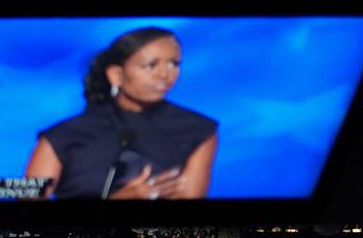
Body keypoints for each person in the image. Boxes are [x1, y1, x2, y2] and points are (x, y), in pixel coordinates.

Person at [24, 26, 218, 201]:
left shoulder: (197, 129)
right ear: (116, 75)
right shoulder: (62, 136)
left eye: (174, 64)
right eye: (151, 65)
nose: (165, 74)